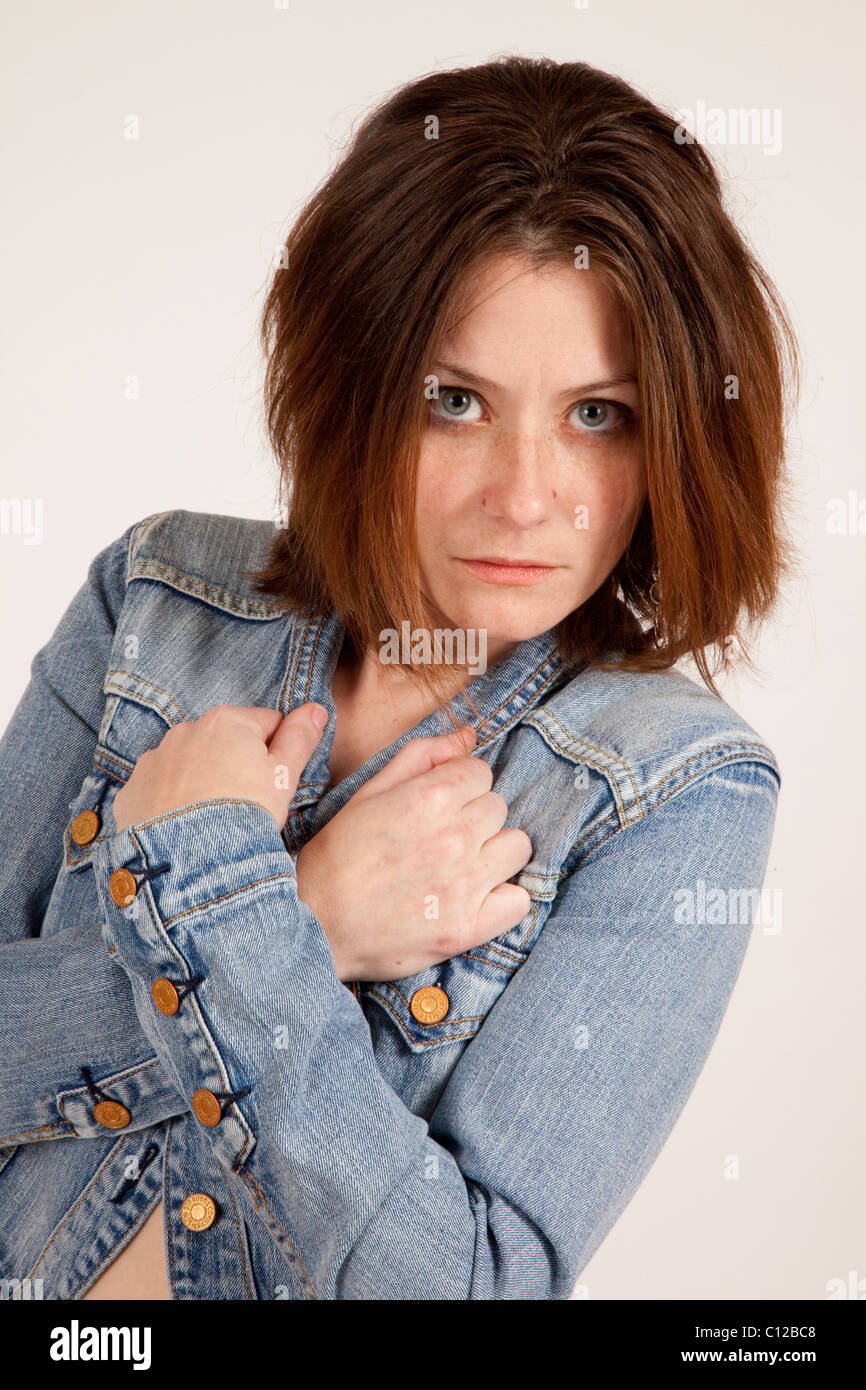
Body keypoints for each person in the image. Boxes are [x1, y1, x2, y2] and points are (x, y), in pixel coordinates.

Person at [0, 54, 799, 1301]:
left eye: (598, 414)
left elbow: (470, 1286)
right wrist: (304, 916)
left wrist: (223, 913)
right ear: (350, 383)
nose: (524, 495)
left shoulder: (667, 788)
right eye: (452, 399)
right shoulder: (156, 599)